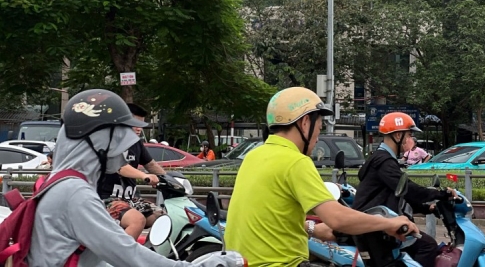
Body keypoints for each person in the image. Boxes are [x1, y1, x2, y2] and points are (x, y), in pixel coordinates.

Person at [28, 89, 244, 267]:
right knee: (136, 220)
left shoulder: (63, 183)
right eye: (120, 137)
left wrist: (168, 178)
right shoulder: (75, 194)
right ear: (99, 140)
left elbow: (96, 259)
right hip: (112, 200)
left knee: (159, 214)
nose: (125, 144)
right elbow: (129, 256)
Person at [225, 87, 419, 267]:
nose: (318, 137)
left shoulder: (253, 156)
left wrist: (312, 229)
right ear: (305, 123)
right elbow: (337, 218)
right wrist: (390, 223)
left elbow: (271, 215)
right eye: (319, 128)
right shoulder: (295, 161)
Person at [353, 112, 456, 267]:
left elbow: (399, 195)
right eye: (408, 135)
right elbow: (409, 189)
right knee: (427, 246)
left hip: (375, 223)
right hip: (373, 227)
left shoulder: (382, 159)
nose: (410, 140)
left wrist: (428, 207)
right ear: (398, 135)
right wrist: (441, 194)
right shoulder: (384, 161)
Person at [98, 102, 166, 239]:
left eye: (141, 124)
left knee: (162, 216)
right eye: (135, 123)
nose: (139, 128)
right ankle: (118, 257)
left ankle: (149, 253)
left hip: (129, 199)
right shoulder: (110, 142)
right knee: (137, 220)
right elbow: (120, 167)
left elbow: (151, 165)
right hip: (106, 199)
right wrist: (145, 176)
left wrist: (170, 179)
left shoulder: (136, 143)